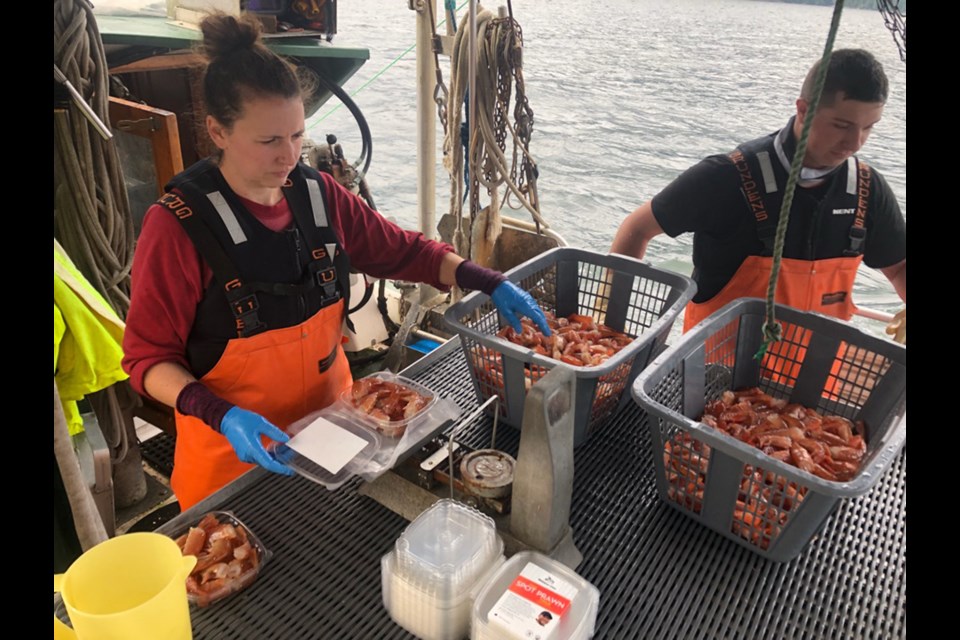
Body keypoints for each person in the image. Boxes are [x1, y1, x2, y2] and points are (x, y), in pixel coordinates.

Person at [121, 12, 550, 511]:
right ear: (217, 131)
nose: (289, 157)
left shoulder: (318, 194)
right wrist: (215, 412)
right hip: (232, 461)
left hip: (340, 438)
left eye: (298, 136)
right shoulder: (177, 225)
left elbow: (404, 251)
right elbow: (146, 359)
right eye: (269, 141)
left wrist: (489, 279)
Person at [610, 48, 906, 333]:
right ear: (803, 109)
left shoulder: (868, 190)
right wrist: (613, 328)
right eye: (842, 125)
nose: (855, 143)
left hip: (818, 375)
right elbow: (638, 228)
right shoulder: (727, 176)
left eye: (869, 128)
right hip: (716, 374)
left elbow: (898, 267)